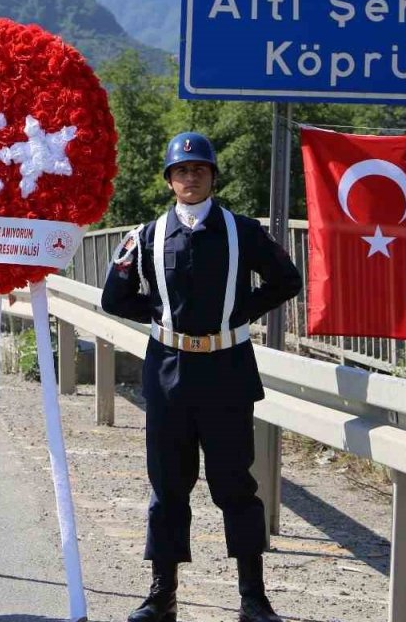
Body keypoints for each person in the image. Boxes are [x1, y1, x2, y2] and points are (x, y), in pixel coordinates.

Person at [101, 132, 302, 622]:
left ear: (212, 176)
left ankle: (253, 599)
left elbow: (286, 279)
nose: (190, 178)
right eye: (181, 171)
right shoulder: (146, 236)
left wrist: (240, 313)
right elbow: (114, 297)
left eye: (198, 170)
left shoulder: (242, 230)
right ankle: (161, 595)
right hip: (168, 373)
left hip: (227, 372)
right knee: (168, 487)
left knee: (235, 485)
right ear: (169, 180)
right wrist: (158, 310)